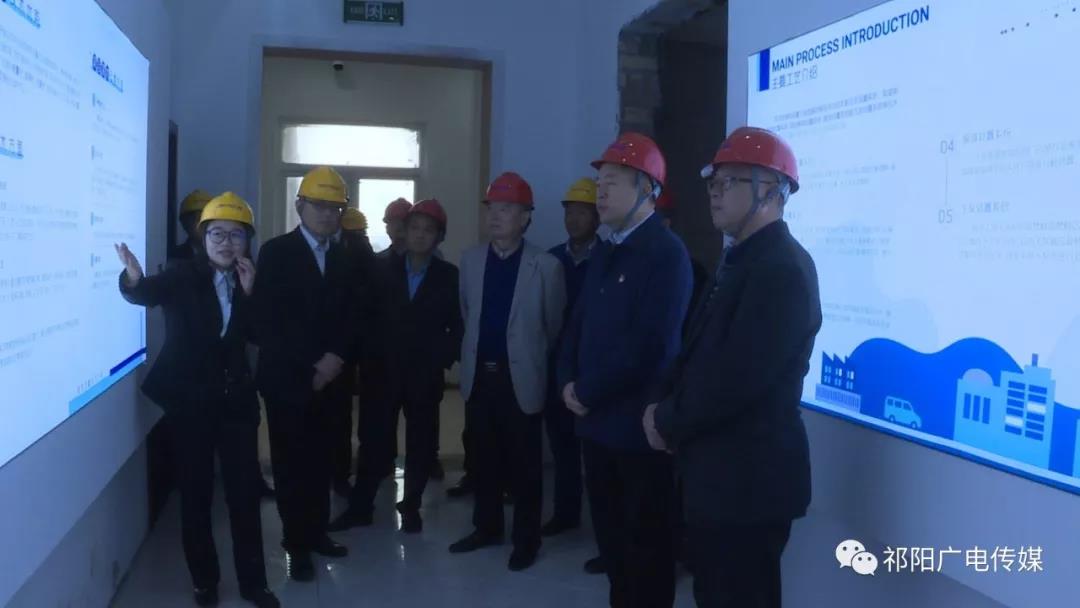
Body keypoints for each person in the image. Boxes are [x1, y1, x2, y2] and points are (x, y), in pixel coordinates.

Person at [644, 127, 821, 608]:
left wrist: (666, 420)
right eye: (713, 182)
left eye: (731, 181)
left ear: (773, 191)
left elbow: (735, 381)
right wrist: (662, 405)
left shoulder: (782, 270)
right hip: (719, 479)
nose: (715, 192)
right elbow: (697, 353)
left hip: (748, 485)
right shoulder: (739, 261)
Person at [115, 193, 279, 608]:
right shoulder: (181, 276)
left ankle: (254, 583)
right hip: (191, 404)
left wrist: (251, 294)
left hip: (236, 403)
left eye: (236, 235)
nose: (226, 243)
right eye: (217, 234)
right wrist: (132, 277)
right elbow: (144, 293)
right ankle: (205, 582)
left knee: (243, 495)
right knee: (196, 495)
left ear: (247, 241)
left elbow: (262, 335)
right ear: (202, 238)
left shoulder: (252, 278)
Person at [557, 133, 692, 608]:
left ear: (647, 189)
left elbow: (650, 348)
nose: (601, 191)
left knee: (646, 553)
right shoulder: (606, 249)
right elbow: (576, 324)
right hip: (595, 427)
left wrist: (586, 390)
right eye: (600, 182)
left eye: (613, 181)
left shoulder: (666, 254)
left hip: (638, 433)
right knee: (613, 548)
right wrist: (566, 381)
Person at [450, 172, 565, 572]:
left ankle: (526, 540)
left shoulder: (546, 266)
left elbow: (553, 326)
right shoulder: (470, 261)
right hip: (480, 377)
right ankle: (486, 528)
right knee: (483, 459)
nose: (496, 216)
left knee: (525, 466)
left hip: (522, 378)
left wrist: (527, 355)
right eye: (492, 209)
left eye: (507, 209)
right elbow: (468, 313)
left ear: (525, 217)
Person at [331, 199, 463, 533]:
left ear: (439, 236)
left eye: (428, 230)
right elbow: (363, 318)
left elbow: (457, 326)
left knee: (421, 443)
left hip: (424, 376)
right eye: (414, 227)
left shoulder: (449, 276)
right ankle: (362, 506)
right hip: (382, 373)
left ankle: (412, 505)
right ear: (404, 230)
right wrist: (365, 361)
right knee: (374, 441)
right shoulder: (381, 269)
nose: (419, 235)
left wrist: (440, 358)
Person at [253, 166, 354, 582]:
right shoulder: (276, 252)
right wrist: (313, 363)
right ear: (299, 206)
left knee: (323, 460)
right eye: (319, 205)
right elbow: (268, 321)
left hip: (333, 379)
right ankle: (296, 544)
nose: (328, 214)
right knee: (291, 464)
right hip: (287, 379)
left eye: (335, 207)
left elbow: (354, 316)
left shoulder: (345, 255)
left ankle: (317, 533)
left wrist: (335, 359)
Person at [542, 178, 600, 540]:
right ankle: (566, 513)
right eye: (569, 212)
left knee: (596, 452)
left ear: (597, 216)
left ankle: (603, 523)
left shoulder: (609, 257)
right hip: (558, 366)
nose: (573, 219)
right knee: (562, 445)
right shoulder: (551, 260)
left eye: (582, 212)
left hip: (595, 369)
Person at [331, 207, 377, 497]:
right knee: (343, 415)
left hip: (345, 347)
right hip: (354, 347)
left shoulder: (346, 252)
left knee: (338, 414)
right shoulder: (362, 252)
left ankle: (338, 472)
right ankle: (342, 473)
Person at [170, 189, 212, 261]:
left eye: (206, 219)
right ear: (185, 224)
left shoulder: (224, 253)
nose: (202, 224)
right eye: (198, 219)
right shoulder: (175, 257)